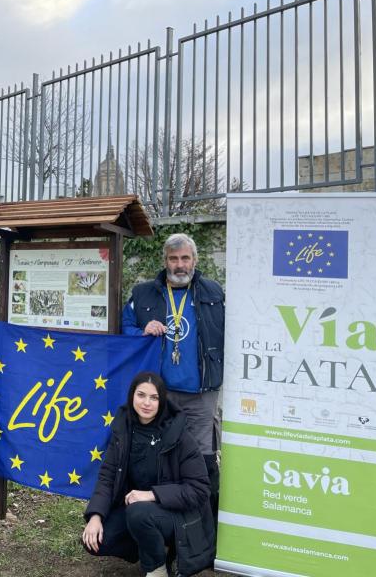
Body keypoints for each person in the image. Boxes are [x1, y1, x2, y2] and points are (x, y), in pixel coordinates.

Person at [82, 372, 215, 577]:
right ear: (131, 396)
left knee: (138, 513)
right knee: (96, 541)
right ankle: (150, 546)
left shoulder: (178, 435)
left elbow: (199, 490)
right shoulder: (123, 429)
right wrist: (95, 516)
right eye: (141, 395)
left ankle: (157, 569)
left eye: (154, 398)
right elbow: (107, 476)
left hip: (178, 515)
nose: (146, 403)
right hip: (140, 512)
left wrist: (152, 494)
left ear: (162, 401)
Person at [121, 233, 224, 498]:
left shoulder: (214, 292)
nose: (180, 265)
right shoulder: (143, 293)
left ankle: (203, 526)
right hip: (158, 395)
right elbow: (125, 328)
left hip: (201, 394)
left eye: (185, 258)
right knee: (159, 457)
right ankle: (162, 520)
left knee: (202, 459)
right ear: (165, 261)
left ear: (194, 260)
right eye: (174, 259)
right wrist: (143, 330)